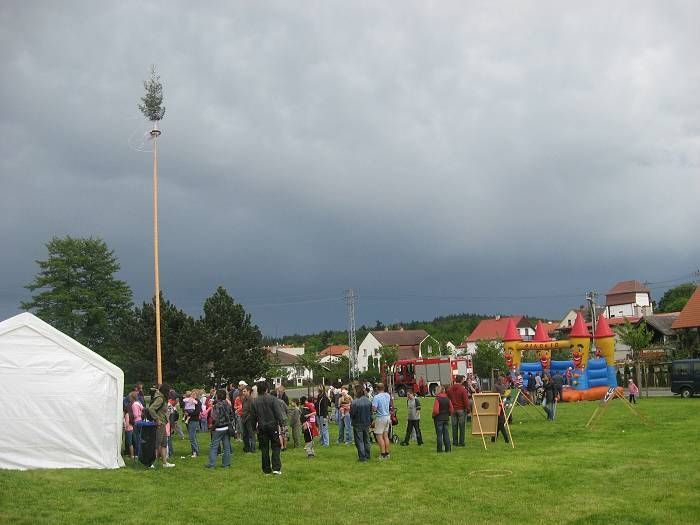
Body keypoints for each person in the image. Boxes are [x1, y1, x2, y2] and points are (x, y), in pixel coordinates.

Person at [250, 381, 287, 475]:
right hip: (273, 426)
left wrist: (253, 428)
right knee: (276, 446)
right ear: (267, 389)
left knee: (264, 448)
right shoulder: (273, 399)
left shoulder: (254, 402)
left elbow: (253, 417)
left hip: (261, 427)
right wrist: (282, 425)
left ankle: (266, 470)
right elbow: (278, 413)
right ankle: (276, 468)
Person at [148, 383, 175, 468]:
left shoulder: (162, 398)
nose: (170, 392)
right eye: (169, 391)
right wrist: (157, 419)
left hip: (163, 423)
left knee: (164, 443)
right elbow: (151, 409)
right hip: (159, 424)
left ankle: (164, 463)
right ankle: (152, 463)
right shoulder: (160, 398)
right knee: (157, 444)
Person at [206, 389, 234, 468]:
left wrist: (213, 426)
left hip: (218, 428)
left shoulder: (216, 406)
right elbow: (232, 416)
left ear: (217, 396)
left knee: (214, 446)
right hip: (226, 427)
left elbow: (214, 417)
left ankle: (211, 464)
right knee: (226, 447)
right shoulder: (227, 404)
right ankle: (226, 464)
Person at [350, 384, 372, 461]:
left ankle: (362, 457)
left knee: (359, 441)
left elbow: (352, 414)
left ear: (356, 391)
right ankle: (368, 455)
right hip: (367, 422)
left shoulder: (355, 402)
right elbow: (371, 412)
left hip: (358, 423)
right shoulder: (368, 401)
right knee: (367, 440)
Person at [447, 375, 469, 447]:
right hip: (461, 410)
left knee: (454, 426)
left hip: (453, 409)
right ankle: (461, 442)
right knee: (462, 427)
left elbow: (448, 399)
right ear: (461, 380)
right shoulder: (463, 389)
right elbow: (466, 400)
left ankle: (455, 442)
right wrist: (468, 409)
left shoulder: (450, 389)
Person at [371, 383, 392, 460]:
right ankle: (387, 453)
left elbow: (374, 409)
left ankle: (383, 454)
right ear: (383, 388)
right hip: (387, 416)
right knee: (385, 436)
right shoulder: (387, 395)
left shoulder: (376, 397)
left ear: (377, 389)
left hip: (380, 417)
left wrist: (372, 407)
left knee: (379, 436)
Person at [432, 385, 453, 453]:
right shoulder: (447, 399)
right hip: (446, 418)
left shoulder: (437, 399)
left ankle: (439, 449)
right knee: (446, 434)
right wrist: (448, 414)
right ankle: (448, 449)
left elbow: (436, 411)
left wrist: (433, 415)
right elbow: (451, 409)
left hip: (439, 419)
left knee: (439, 435)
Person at [241, 386, 256, 453]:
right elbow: (243, 409)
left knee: (251, 434)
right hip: (244, 419)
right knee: (245, 435)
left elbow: (251, 411)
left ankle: (252, 449)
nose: (243, 392)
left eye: (244, 391)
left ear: (248, 391)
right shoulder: (244, 399)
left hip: (249, 420)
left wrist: (246, 419)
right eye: (243, 391)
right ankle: (247, 448)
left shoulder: (251, 399)